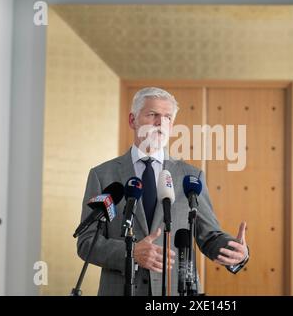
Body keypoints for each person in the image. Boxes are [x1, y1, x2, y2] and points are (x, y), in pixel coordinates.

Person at [77, 87, 249, 296]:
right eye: (152, 115)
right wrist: (130, 254)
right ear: (133, 120)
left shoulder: (191, 177)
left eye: (167, 117)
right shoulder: (103, 175)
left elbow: (209, 235)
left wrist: (234, 250)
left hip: (177, 291)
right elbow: (87, 242)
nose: (160, 123)